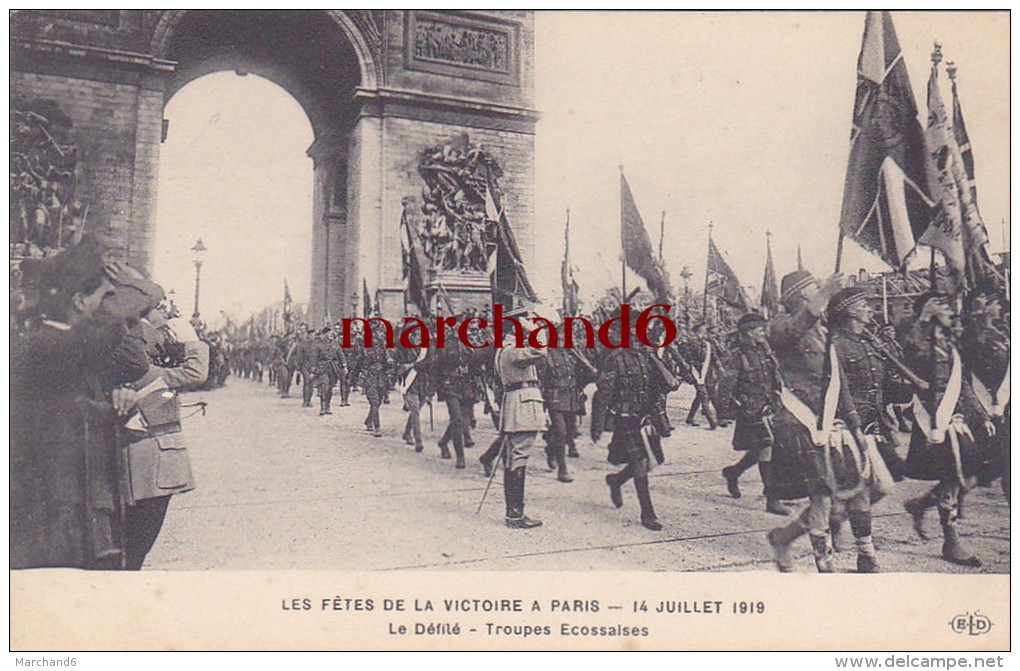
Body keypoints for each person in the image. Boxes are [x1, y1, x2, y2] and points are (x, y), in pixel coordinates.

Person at [11, 236, 150, 569]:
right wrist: (142, 288)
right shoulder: (49, 345)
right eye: (103, 299)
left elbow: (75, 406)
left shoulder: (63, 345)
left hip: (70, 510)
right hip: (50, 520)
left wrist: (116, 407)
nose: (107, 308)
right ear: (79, 301)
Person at [765, 270, 878, 573]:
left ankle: (861, 551)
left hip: (830, 418)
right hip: (799, 420)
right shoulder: (780, 325)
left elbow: (837, 382)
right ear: (800, 296)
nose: (820, 294)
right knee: (821, 496)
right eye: (814, 290)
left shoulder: (825, 330)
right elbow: (789, 333)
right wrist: (825, 295)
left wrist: (854, 425)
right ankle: (824, 563)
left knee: (859, 487)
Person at [901, 294, 994, 568]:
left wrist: (981, 414)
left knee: (969, 474)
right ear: (929, 311)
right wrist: (923, 319)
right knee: (953, 474)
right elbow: (910, 353)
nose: (949, 309)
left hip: (954, 417)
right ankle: (951, 539)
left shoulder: (949, 341)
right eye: (941, 305)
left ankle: (921, 505)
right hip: (931, 419)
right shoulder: (920, 339)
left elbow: (962, 382)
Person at [592, 313, 671, 532]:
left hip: (646, 417)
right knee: (640, 461)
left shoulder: (647, 357)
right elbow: (603, 394)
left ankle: (616, 480)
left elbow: (663, 385)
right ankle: (648, 513)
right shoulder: (616, 359)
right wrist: (597, 425)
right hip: (626, 418)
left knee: (655, 460)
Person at [722, 312, 784, 512]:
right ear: (748, 332)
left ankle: (734, 472)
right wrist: (726, 410)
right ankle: (772, 499)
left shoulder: (763, 351)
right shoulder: (736, 355)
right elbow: (725, 385)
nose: (763, 332)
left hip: (768, 405)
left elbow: (774, 377)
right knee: (767, 446)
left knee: (761, 449)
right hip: (750, 408)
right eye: (759, 329)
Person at [494, 309, 548, 528]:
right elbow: (541, 349)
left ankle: (514, 513)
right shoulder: (513, 351)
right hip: (522, 406)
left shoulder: (506, 350)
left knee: (515, 458)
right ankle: (515, 515)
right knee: (518, 459)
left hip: (518, 404)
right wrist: (534, 329)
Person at [539, 325, 597, 483]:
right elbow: (541, 381)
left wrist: (590, 372)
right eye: (560, 337)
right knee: (561, 431)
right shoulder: (546, 356)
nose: (563, 340)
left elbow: (581, 377)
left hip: (572, 397)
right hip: (555, 398)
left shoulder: (572, 355)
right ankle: (562, 470)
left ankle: (551, 450)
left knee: (570, 431)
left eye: (565, 337)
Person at [680, 322, 719, 429]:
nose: (705, 333)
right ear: (697, 332)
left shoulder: (707, 344)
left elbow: (713, 357)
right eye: (703, 332)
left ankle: (690, 417)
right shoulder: (691, 343)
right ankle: (711, 420)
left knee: (701, 395)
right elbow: (687, 358)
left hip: (707, 372)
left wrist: (719, 368)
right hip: (696, 372)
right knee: (704, 395)